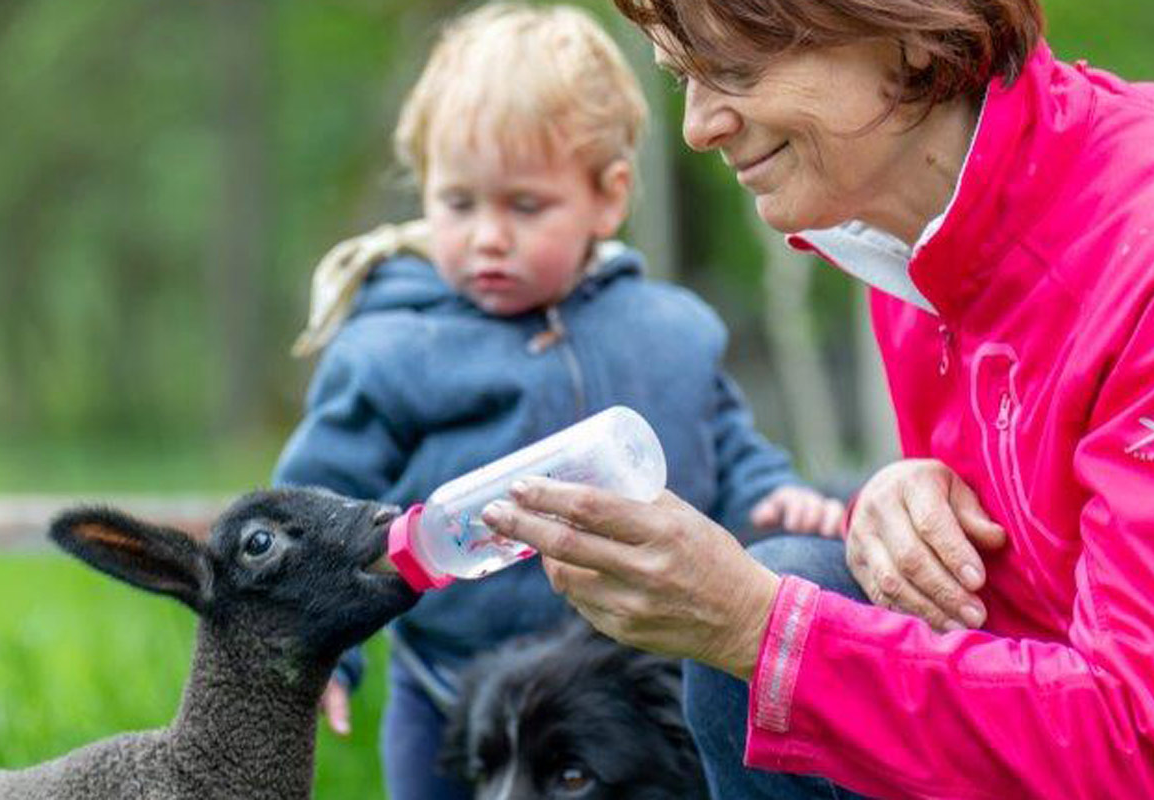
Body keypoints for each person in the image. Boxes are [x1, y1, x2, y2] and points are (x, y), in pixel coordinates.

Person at [478, 0, 1154, 798]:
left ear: (907, 36)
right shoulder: (895, 222)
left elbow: (1149, 748)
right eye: (686, 77)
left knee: (772, 635)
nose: (699, 126)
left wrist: (760, 626)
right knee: (774, 627)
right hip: (1113, 701)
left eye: (737, 70)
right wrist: (906, 491)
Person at [271, 4, 843, 798]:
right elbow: (318, 517)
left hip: (642, 694)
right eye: (459, 204)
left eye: (525, 206)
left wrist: (774, 497)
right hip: (453, 699)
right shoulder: (392, 351)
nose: (487, 237)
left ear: (607, 199)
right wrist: (318, 638)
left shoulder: (669, 331)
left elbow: (725, 441)